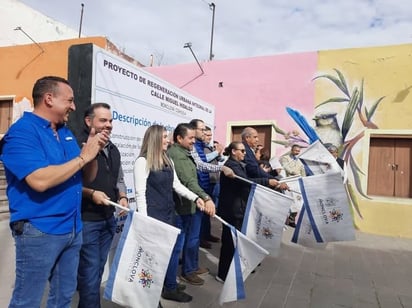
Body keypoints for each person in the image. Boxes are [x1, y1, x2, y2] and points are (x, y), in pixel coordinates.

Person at [0, 76, 108, 308]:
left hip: (73, 228)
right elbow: (39, 180)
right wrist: (82, 157)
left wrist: (93, 151)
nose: (74, 106)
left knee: (63, 298)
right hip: (40, 230)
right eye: (69, 100)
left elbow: (85, 177)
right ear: (49, 99)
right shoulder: (22, 133)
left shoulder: (65, 132)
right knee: (26, 301)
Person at [134, 125, 209, 303]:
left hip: (169, 214)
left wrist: (196, 197)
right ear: (154, 140)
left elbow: (176, 185)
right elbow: (140, 194)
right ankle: (149, 298)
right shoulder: (142, 161)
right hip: (153, 217)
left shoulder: (167, 159)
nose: (168, 140)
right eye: (164, 137)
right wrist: (145, 222)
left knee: (168, 254)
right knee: (152, 259)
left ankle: (168, 286)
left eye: (167, 136)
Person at [76, 103, 129, 308]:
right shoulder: (79, 146)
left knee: (97, 270)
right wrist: (90, 194)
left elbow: (119, 179)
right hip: (87, 220)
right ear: (89, 122)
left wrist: (122, 196)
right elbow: (69, 184)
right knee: (89, 273)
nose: (109, 125)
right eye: (103, 120)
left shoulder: (113, 149)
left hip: (108, 219)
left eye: (110, 121)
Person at [216, 142, 284, 282]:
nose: (244, 153)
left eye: (245, 151)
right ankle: (223, 274)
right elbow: (246, 181)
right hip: (231, 210)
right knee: (229, 242)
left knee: (238, 241)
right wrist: (268, 182)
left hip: (239, 208)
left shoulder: (240, 165)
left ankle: (236, 268)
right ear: (234, 151)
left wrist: (271, 181)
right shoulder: (231, 165)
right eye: (242, 151)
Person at [167, 123, 216, 286]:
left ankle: (192, 267)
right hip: (183, 207)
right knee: (182, 243)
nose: (193, 141)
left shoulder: (186, 151)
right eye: (191, 138)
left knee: (193, 239)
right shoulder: (176, 154)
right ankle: (184, 274)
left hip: (193, 204)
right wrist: (206, 197)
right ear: (179, 138)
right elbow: (188, 181)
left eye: (195, 137)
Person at [200, 126, 222, 249]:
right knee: (204, 212)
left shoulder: (209, 147)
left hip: (213, 182)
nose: (209, 137)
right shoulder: (200, 148)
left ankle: (207, 234)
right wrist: (216, 152)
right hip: (206, 182)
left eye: (210, 135)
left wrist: (219, 154)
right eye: (207, 134)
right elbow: (204, 160)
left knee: (209, 212)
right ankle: (201, 238)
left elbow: (218, 159)